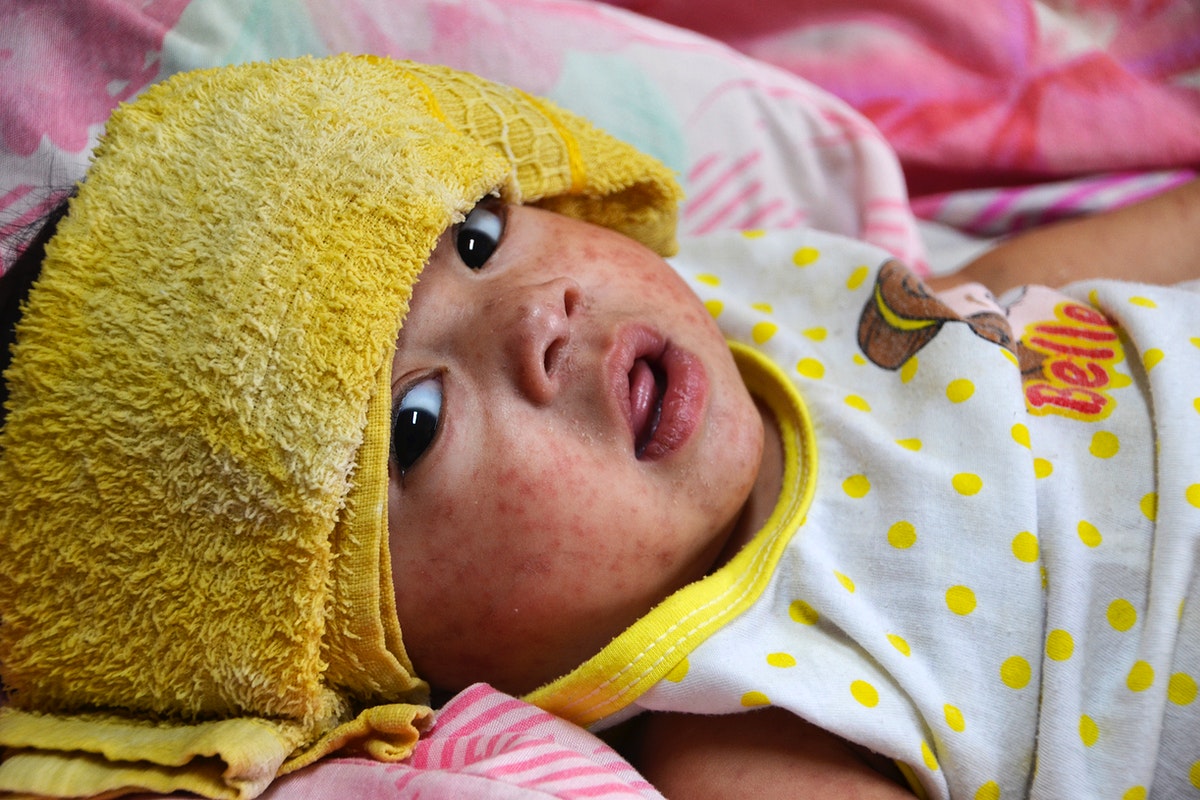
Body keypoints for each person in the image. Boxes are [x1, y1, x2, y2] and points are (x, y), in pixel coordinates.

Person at [0, 54, 1196, 800]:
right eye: (414, 421)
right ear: (379, 654)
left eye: (475, 237)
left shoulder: (727, 301)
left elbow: (1006, 296)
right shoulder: (751, 718)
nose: (537, 313)